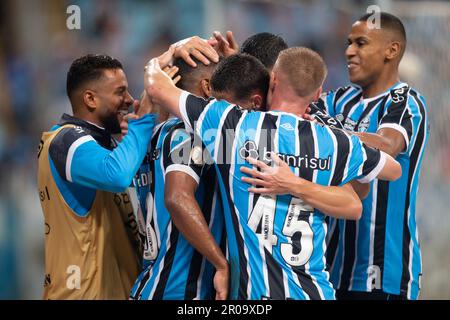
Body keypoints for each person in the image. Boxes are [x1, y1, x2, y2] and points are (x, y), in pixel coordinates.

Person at [143, 48, 401, 299]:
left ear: (273, 80)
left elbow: (155, 85)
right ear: (318, 93)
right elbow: (390, 172)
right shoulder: (331, 142)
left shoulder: (232, 126)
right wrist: (301, 179)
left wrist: (170, 54)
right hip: (316, 290)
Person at [314, 12, 429, 300]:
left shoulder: (405, 102)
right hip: (332, 267)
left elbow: (386, 145)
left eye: (361, 43)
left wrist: (329, 130)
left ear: (392, 50)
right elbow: (292, 105)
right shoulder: (340, 99)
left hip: (383, 272)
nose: (349, 51)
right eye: (349, 43)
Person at [37, 54, 157, 299]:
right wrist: (143, 121)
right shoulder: (66, 140)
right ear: (90, 99)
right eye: (120, 92)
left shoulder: (106, 144)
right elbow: (117, 175)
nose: (129, 100)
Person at [129, 54, 229, 300]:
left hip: (149, 285)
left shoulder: (150, 135)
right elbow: (176, 198)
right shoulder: (190, 134)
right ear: (207, 87)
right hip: (179, 289)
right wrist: (221, 264)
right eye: (224, 83)